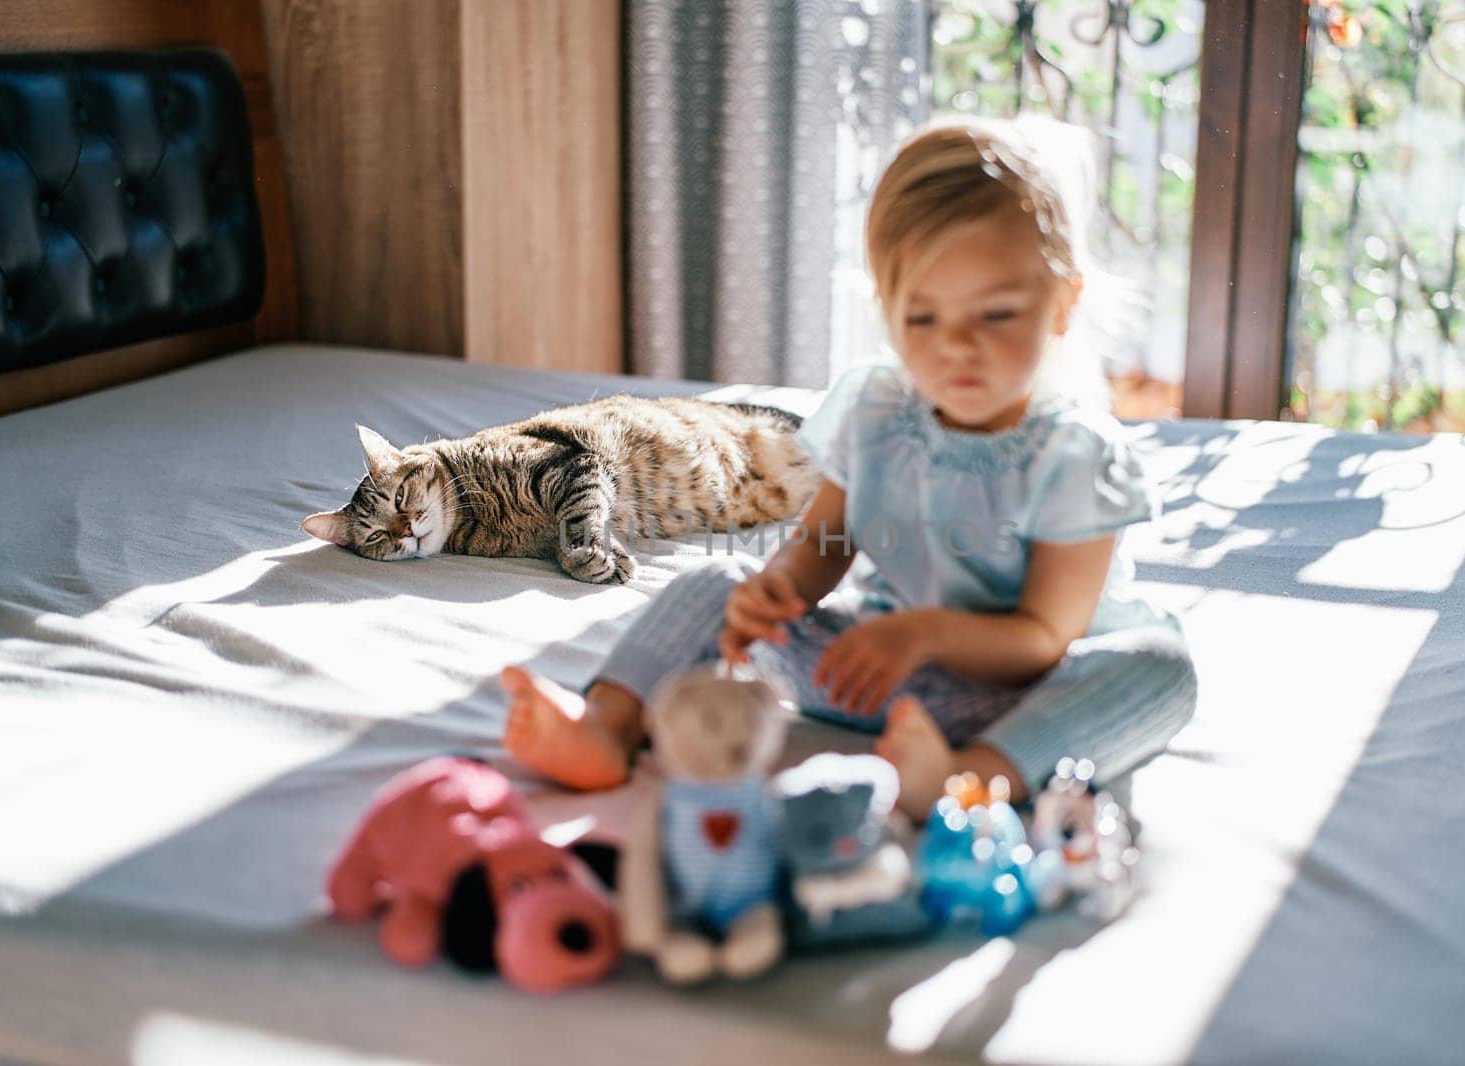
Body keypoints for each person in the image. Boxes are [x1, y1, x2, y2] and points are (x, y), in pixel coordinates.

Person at [501, 117, 1196, 820]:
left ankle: (964, 781)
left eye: (996, 313)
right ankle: (606, 727)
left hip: (1015, 696)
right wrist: (776, 593)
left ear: (1062, 305)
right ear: (887, 313)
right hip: (866, 674)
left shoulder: (1077, 455)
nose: (956, 346)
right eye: (922, 318)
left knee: (1161, 668)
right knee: (718, 579)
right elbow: (823, 546)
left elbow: (1047, 634)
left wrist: (924, 635)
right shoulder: (876, 411)